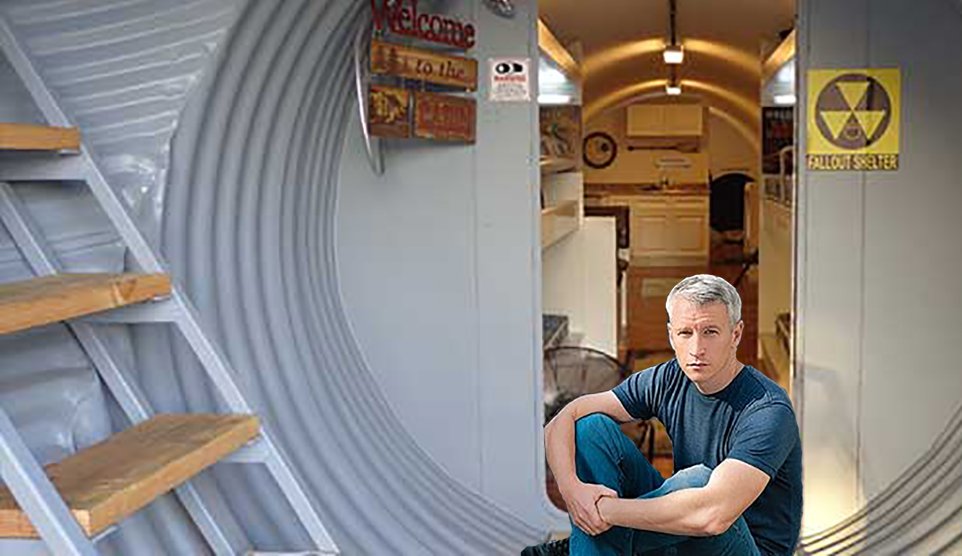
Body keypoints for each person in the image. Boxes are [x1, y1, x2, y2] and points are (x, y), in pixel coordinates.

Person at [523, 274, 802, 555]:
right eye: (685, 333)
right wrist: (573, 493)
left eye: (710, 332)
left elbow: (713, 515)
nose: (697, 349)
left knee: (697, 482)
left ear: (736, 334)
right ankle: (592, 546)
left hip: (742, 546)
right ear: (671, 335)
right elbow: (563, 419)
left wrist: (600, 513)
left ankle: (585, 546)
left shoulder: (768, 409)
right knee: (590, 428)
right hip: (682, 535)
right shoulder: (669, 379)